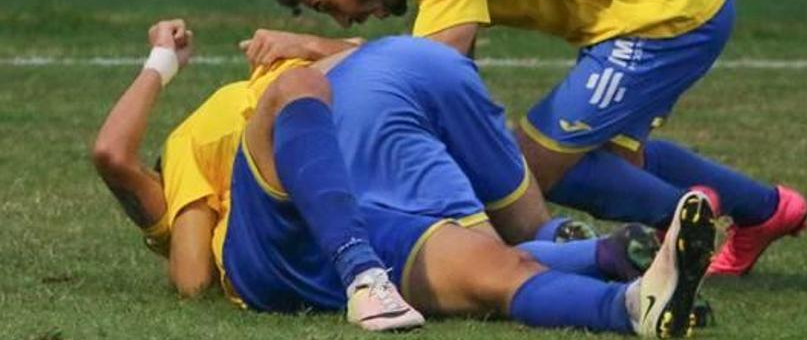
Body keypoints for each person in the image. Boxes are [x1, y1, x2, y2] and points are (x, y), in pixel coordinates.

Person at [271, 0, 807, 276]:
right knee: (600, 159)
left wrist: (320, 48)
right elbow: (447, 79)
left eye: (330, 5)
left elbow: (429, 71)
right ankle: (766, 210)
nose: (345, 16)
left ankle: (683, 215)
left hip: (663, 9)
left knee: (525, 169)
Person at [94, 19, 717, 337]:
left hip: (347, 211)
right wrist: (162, 62)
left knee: (495, 272)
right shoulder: (187, 153)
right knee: (297, 88)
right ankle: (365, 276)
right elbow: (116, 161)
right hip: (279, 250)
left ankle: (627, 297)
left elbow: (368, 48)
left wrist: (307, 39)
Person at [92, 19, 424, 331]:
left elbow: (113, 156)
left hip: (321, 116)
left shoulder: (187, 149)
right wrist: (162, 60)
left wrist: (161, 61)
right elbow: (381, 55)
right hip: (347, 111)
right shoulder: (214, 165)